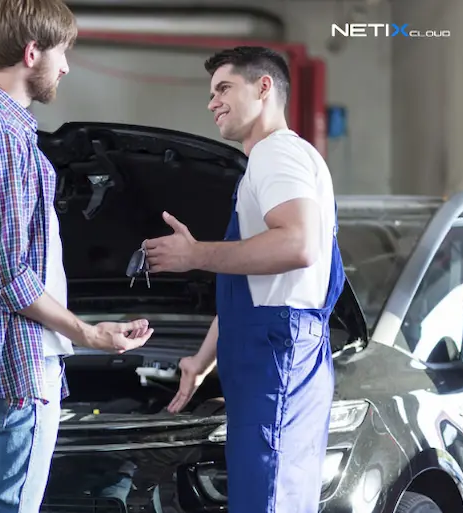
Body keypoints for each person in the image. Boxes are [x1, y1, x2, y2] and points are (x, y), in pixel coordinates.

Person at [0, 0, 154, 511]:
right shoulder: (2, 137)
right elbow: (3, 273)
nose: (67, 66)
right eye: (63, 52)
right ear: (32, 53)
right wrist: (88, 334)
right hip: (12, 371)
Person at [144, 46, 343, 513]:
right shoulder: (279, 159)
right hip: (277, 348)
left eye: (224, 88)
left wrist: (195, 254)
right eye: (211, 92)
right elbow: (257, 286)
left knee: (267, 500)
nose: (212, 102)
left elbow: (297, 245)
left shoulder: (276, 155)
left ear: (264, 87)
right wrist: (201, 358)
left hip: (277, 355)